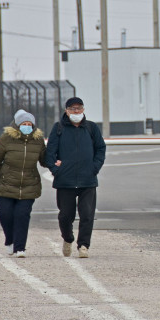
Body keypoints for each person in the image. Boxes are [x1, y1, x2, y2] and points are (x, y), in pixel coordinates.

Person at [45, 97, 106, 258]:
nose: (76, 112)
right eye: (72, 109)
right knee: (65, 216)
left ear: (83, 110)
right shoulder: (58, 128)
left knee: (87, 215)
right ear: (66, 111)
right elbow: (50, 152)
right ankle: (68, 238)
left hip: (88, 180)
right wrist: (55, 170)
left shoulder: (91, 128)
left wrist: (94, 168)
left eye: (79, 108)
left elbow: (100, 149)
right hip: (65, 181)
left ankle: (84, 246)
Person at [0, 109, 46, 258]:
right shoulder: (7, 138)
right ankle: (10, 240)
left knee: (22, 215)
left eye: (29, 124)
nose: (27, 126)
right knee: (5, 214)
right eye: (24, 124)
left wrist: (56, 163)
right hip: (6, 183)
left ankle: (20, 248)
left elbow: (44, 159)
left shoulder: (38, 140)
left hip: (29, 185)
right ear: (17, 125)